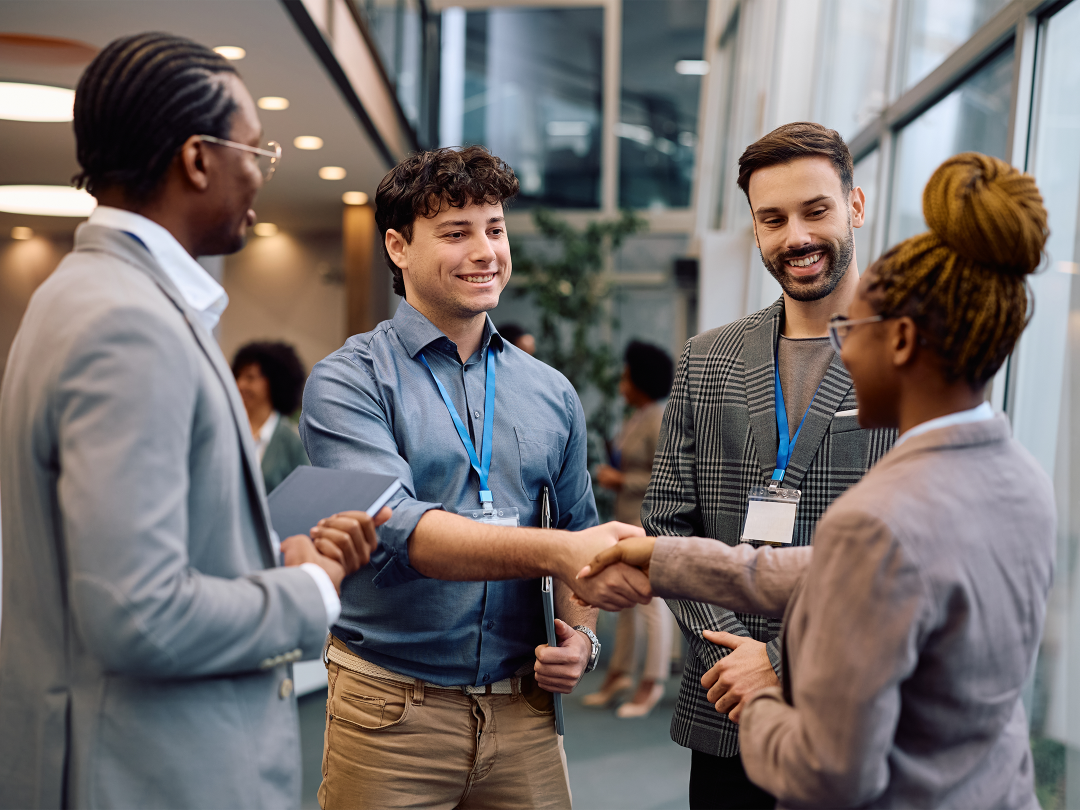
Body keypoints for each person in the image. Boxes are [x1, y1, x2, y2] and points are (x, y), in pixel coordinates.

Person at [577, 152, 1055, 809]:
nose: (843, 349)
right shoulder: (1021, 477)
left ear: (904, 341)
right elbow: (843, 570)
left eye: (855, 331)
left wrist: (769, 687)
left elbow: (832, 771)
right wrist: (665, 557)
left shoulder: (884, 519)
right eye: (772, 217)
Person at [0, 33, 386, 810]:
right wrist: (310, 588)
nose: (260, 175)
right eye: (255, 151)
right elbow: (136, 612)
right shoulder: (126, 320)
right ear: (198, 159)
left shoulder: (86, 295)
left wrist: (265, 557)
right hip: (153, 773)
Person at [299, 145, 645, 809]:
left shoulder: (550, 392)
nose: (485, 251)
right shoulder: (349, 381)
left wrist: (584, 638)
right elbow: (404, 530)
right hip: (392, 711)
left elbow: (575, 531)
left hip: (525, 713)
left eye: (495, 229)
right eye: (457, 233)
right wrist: (561, 552)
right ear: (398, 248)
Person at [640, 122, 895, 809]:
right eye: (772, 219)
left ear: (856, 206)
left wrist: (783, 663)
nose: (797, 237)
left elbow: (916, 556)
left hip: (853, 712)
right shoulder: (708, 359)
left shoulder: (910, 355)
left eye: (816, 211)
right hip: (727, 712)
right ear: (755, 229)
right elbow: (665, 524)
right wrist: (734, 659)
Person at [586, 340, 676, 718]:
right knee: (623, 600)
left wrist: (622, 479)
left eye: (626, 376)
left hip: (649, 521)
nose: (621, 384)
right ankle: (620, 674)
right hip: (625, 519)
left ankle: (651, 682)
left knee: (651, 605)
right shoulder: (636, 415)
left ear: (642, 379)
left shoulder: (658, 416)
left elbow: (666, 475)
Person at [233, 340, 311, 492]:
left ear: (274, 382)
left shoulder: (293, 441)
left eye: (250, 377)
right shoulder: (229, 431)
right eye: (238, 376)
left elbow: (306, 492)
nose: (240, 385)